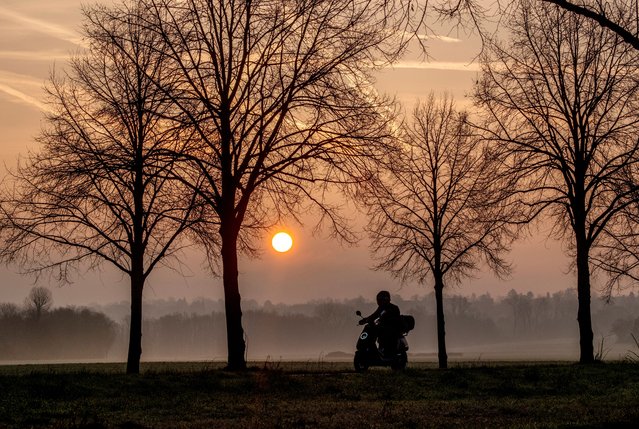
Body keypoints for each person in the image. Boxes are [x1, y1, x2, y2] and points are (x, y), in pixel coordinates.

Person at [359, 290, 402, 357]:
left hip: (392, 329)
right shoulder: (381, 308)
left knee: (383, 333)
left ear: (386, 299)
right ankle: (376, 351)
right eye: (379, 299)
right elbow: (374, 315)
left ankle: (383, 350)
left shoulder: (394, 308)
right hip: (382, 327)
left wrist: (387, 320)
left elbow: (395, 319)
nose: (380, 301)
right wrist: (365, 320)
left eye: (381, 299)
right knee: (374, 332)